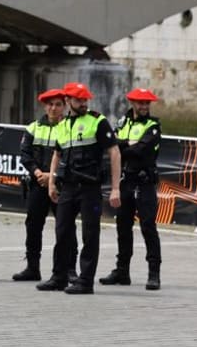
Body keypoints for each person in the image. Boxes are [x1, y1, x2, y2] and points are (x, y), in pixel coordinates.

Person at [37, 82, 121, 294]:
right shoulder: (63, 125)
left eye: (85, 99)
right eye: (79, 100)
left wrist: (115, 188)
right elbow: (57, 154)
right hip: (68, 187)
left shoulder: (97, 121)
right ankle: (59, 277)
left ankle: (85, 281)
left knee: (90, 234)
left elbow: (114, 152)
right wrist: (52, 183)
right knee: (62, 231)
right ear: (68, 101)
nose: (83, 103)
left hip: (90, 188)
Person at [100, 88, 163, 290]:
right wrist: (127, 144)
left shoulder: (153, 126)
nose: (144, 106)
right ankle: (122, 271)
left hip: (144, 182)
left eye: (147, 103)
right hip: (126, 182)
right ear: (132, 103)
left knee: (148, 227)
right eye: (140, 103)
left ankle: (154, 273)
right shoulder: (122, 122)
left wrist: (123, 146)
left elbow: (140, 150)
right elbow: (113, 146)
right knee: (122, 227)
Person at [13, 89, 78, 282]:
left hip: (61, 186)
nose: (53, 108)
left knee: (66, 228)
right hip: (37, 184)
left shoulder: (70, 127)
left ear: (64, 106)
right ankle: (32, 268)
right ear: (44, 106)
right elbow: (25, 154)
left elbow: (73, 157)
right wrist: (37, 173)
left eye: (58, 104)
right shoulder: (33, 127)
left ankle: (70, 269)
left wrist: (52, 176)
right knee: (33, 226)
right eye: (50, 104)